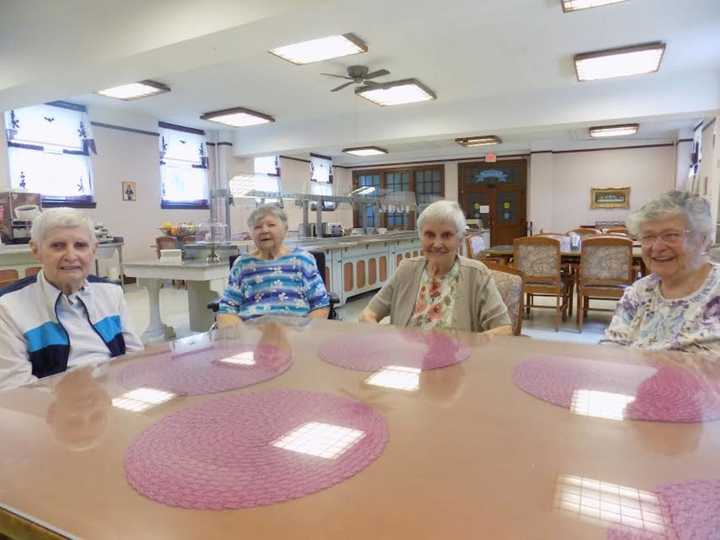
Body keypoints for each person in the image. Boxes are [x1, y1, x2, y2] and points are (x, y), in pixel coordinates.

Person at [0, 208, 143, 391]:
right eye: (58, 246)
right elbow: (15, 388)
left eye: (80, 245)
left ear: (93, 250)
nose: (71, 256)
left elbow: (134, 357)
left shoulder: (111, 293)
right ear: (36, 251)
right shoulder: (8, 308)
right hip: (52, 409)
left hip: (113, 396)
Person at [359, 200, 512, 334]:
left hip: (457, 362)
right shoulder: (406, 269)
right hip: (408, 360)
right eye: (430, 235)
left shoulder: (477, 274)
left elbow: (504, 329)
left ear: (460, 239)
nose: (437, 244)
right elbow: (367, 315)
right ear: (420, 237)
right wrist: (387, 339)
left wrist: (471, 346)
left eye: (446, 235)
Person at [601, 191, 720, 351]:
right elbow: (611, 347)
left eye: (671, 235)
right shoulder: (639, 292)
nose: (657, 247)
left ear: (704, 239)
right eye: (648, 236)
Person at [216, 205, 330, 327]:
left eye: (271, 225)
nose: (264, 230)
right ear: (251, 233)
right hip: (253, 335)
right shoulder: (242, 264)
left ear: (285, 229)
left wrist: (303, 335)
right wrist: (244, 336)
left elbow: (320, 305)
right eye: (258, 227)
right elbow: (227, 309)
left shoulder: (302, 260)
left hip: (296, 334)